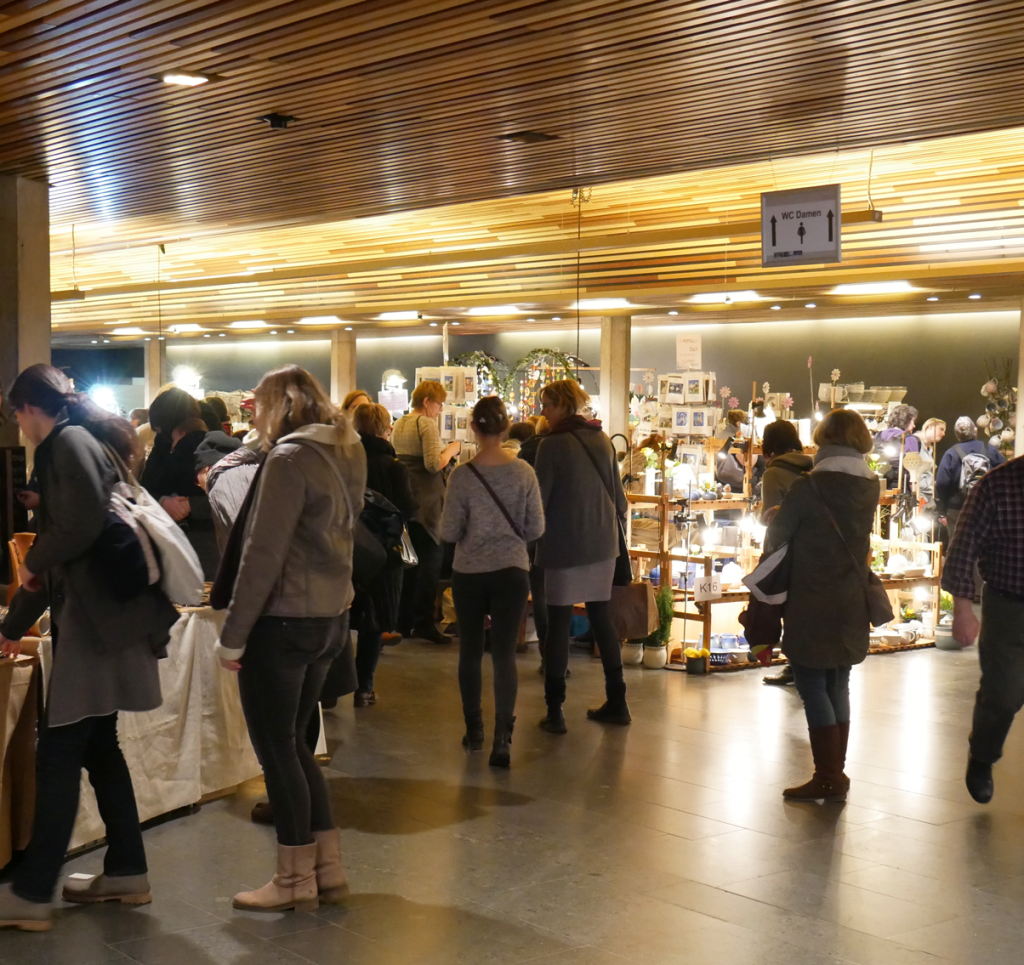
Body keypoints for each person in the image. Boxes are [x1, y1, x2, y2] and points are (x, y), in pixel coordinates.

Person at [0, 365, 178, 931]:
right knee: (101, 745)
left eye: (18, 416)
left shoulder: (67, 442)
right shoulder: (83, 441)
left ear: (31, 408)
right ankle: (127, 871)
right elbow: (70, 541)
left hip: (96, 628)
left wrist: (32, 559)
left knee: (59, 753)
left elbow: (75, 530)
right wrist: (14, 622)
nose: (20, 428)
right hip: (108, 622)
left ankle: (31, 897)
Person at [215, 364, 365, 913]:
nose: (253, 415)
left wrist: (232, 637)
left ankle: (293, 878)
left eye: (258, 404)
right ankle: (326, 869)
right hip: (330, 617)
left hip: (283, 623)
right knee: (296, 745)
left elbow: (262, 554)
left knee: (278, 748)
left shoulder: (287, 459)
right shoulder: (348, 448)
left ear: (278, 405)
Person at [764, 408, 879, 802]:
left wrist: (777, 517)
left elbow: (778, 537)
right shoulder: (870, 485)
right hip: (851, 597)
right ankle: (837, 773)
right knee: (838, 681)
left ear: (825, 440)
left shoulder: (810, 486)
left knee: (811, 684)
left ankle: (826, 776)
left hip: (811, 597)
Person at [440, 397, 545, 767]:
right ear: (505, 428)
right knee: (504, 654)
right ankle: (503, 736)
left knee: (470, 651)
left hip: (469, 572)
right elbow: (536, 528)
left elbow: (449, 531)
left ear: (473, 428)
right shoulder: (524, 473)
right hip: (512, 572)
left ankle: (475, 730)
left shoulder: (462, 476)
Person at [533, 379, 630, 733]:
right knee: (600, 617)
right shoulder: (602, 439)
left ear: (561, 405)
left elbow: (538, 501)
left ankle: (555, 710)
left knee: (558, 623)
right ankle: (618, 700)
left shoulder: (551, 445)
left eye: (546, 404)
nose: (543, 411)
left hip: (564, 544)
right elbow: (620, 500)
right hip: (603, 543)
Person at [942, 454, 1024, 804]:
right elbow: (962, 550)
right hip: (1010, 605)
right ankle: (983, 756)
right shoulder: (996, 485)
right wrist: (963, 609)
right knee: (1003, 694)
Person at [350, 403, 418, 706]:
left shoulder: (345, 462)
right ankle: (364, 686)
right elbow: (408, 509)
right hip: (384, 550)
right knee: (373, 623)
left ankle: (329, 689)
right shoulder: (394, 466)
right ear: (384, 428)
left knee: (341, 617)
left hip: (346, 548)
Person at [392, 380, 461, 644]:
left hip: (406, 501)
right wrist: (452, 449)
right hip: (428, 505)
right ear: (427, 402)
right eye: (439, 404)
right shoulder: (426, 424)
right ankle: (424, 622)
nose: (440, 410)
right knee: (430, 563)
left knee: (408, 563)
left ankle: (403, 621)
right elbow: (434, 464)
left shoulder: (399, 423)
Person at [141, 388, 219, 579]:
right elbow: (147, 485)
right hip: (175, 541)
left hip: (206, 544)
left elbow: (231, 497)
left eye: (159, 429)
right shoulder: (163, 443)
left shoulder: (214, 444)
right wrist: (163, 501)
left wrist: (191, 505)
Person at [758, 419, 813, 687]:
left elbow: (771, 517)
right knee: (801, 607)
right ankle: (804, 662)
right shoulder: (813, 466)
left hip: (784, 550)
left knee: (780, 606)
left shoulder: (773, 472)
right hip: (811, 546)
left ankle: (792, 665)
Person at [935, 416, 1005, 535]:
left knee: (958, 547)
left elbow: (942, 484)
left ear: (957, 435)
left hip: (957, 508)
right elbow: (1005, 475)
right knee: (984, 548)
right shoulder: (991, 450)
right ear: (976, 431)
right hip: (986, 508)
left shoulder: (951, 453)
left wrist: (941, 510)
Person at [914, 417, 946, 510]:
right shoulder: (915, 443)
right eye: (941, 429)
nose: (943, 434)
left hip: (928, 494)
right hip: (919, 494)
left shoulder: (930, 449)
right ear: (930, 426)